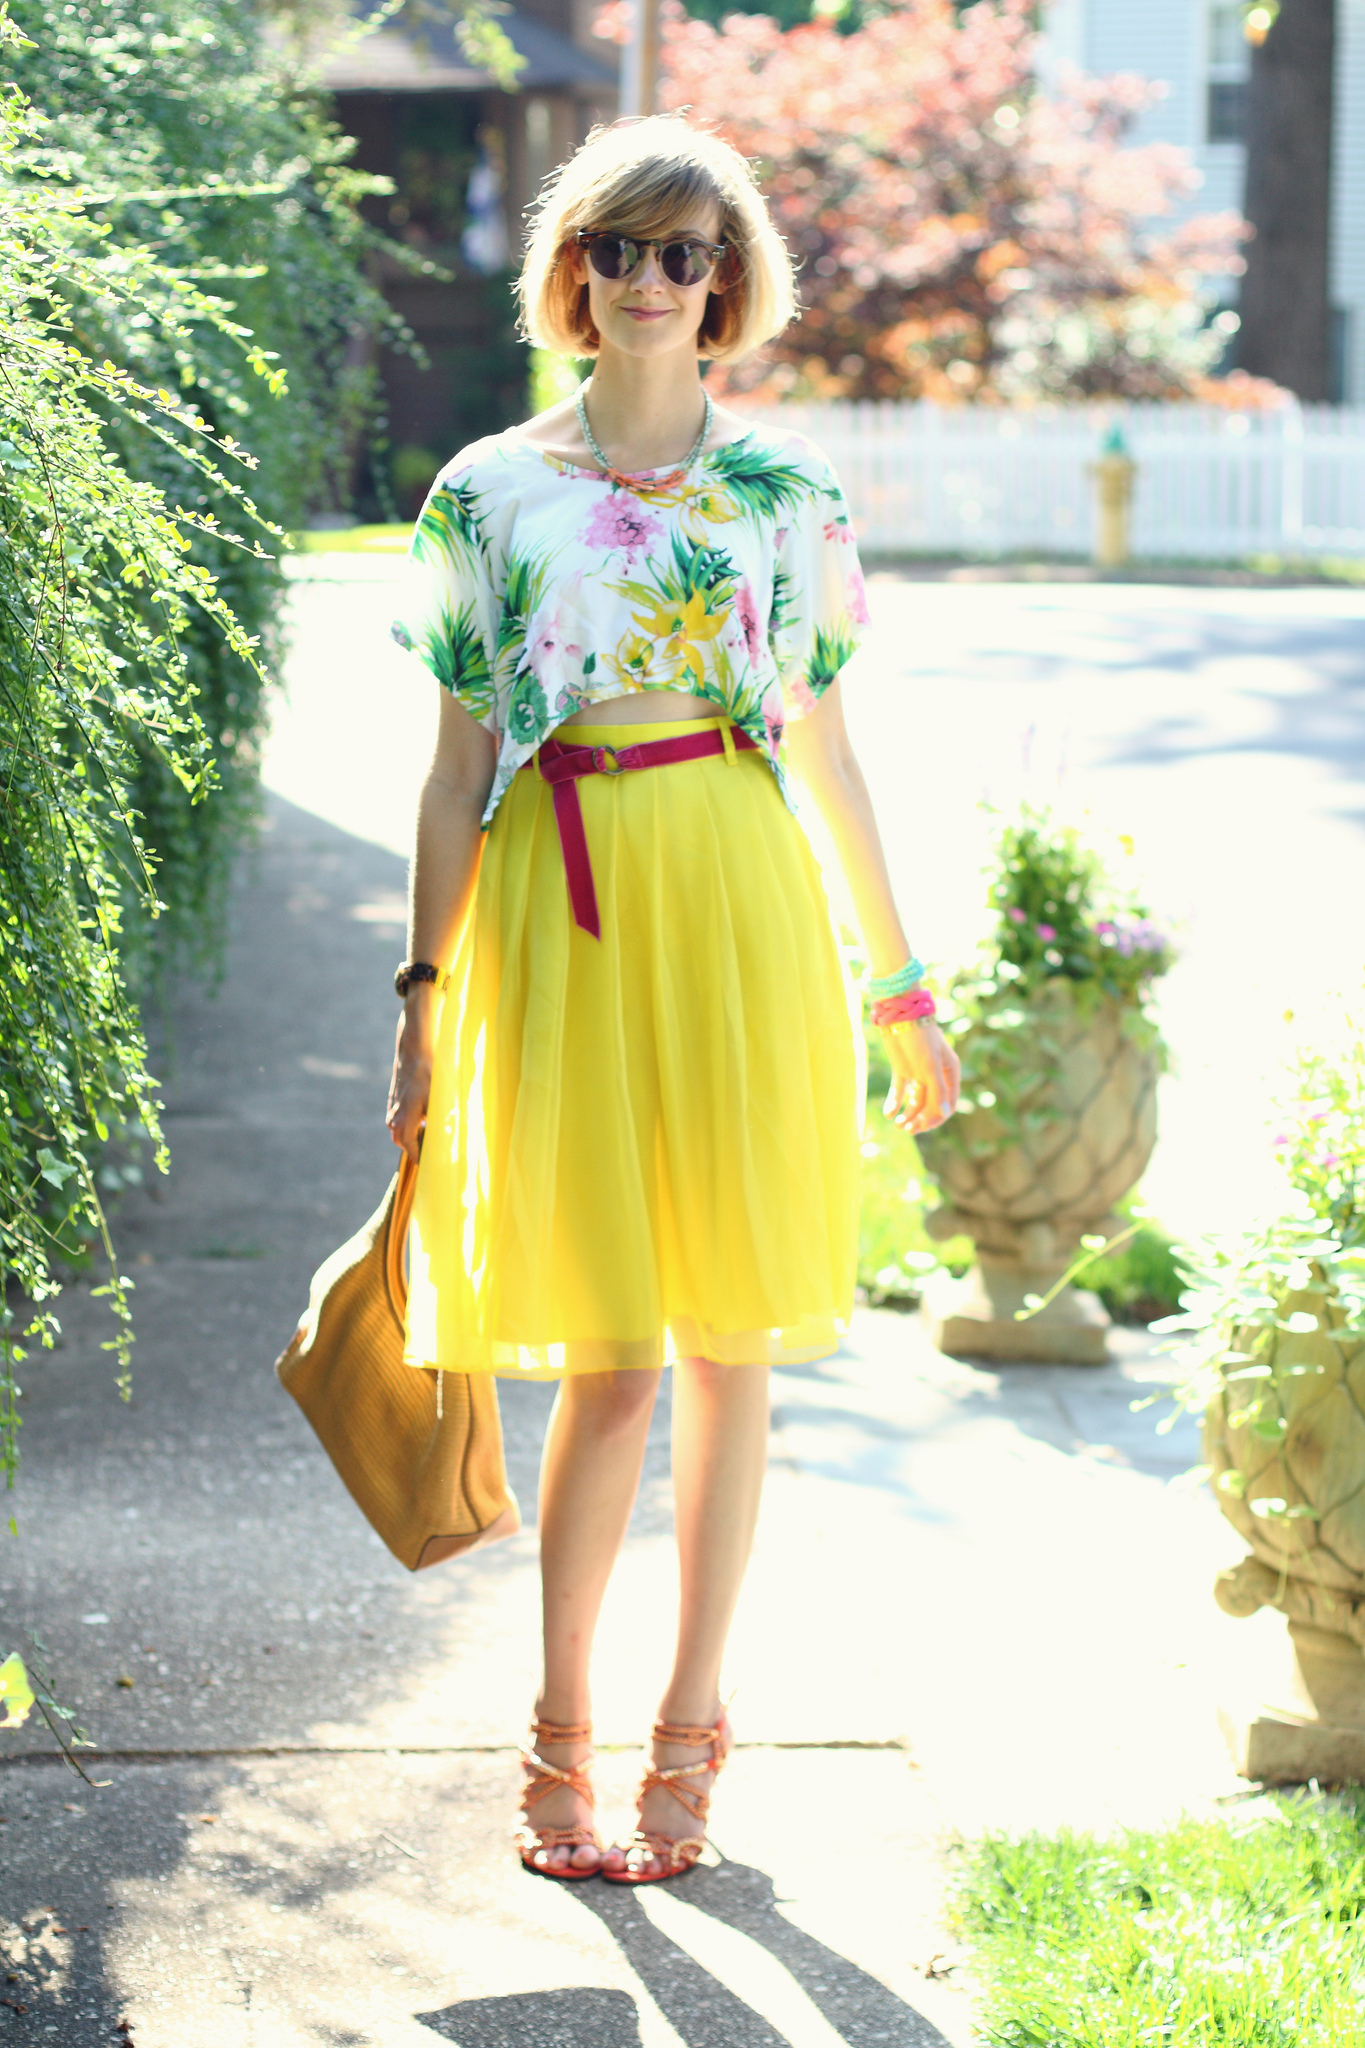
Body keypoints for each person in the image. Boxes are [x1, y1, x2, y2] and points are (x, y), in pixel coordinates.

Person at [386, 115, 959, 1885]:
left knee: (728, 1346)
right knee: (612, 1363)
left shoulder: (785, 494)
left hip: (736, 903)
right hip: (558, 920)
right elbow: (454, 757)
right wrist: (419, 996)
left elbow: (831, 748)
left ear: (727, 286)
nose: (650, 281)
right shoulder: (486, 489)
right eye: (619, 251)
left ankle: (690, 1732)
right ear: (574, 272)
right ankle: (557, 1727)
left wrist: (902, 986)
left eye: (686, 254)